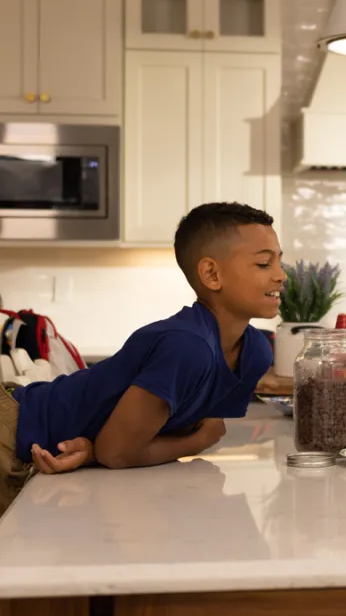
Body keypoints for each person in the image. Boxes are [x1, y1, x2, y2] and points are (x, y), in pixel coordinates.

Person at [0, 202, 286, 516]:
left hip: (39, 447)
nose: (281, 276)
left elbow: (139, 439)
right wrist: (197, 442)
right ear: (211, 274)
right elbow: (127, 451)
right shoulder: (187, 347)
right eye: (263, 264)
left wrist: (96, 452)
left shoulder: (255, 350)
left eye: (279, 262)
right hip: (12, 430)